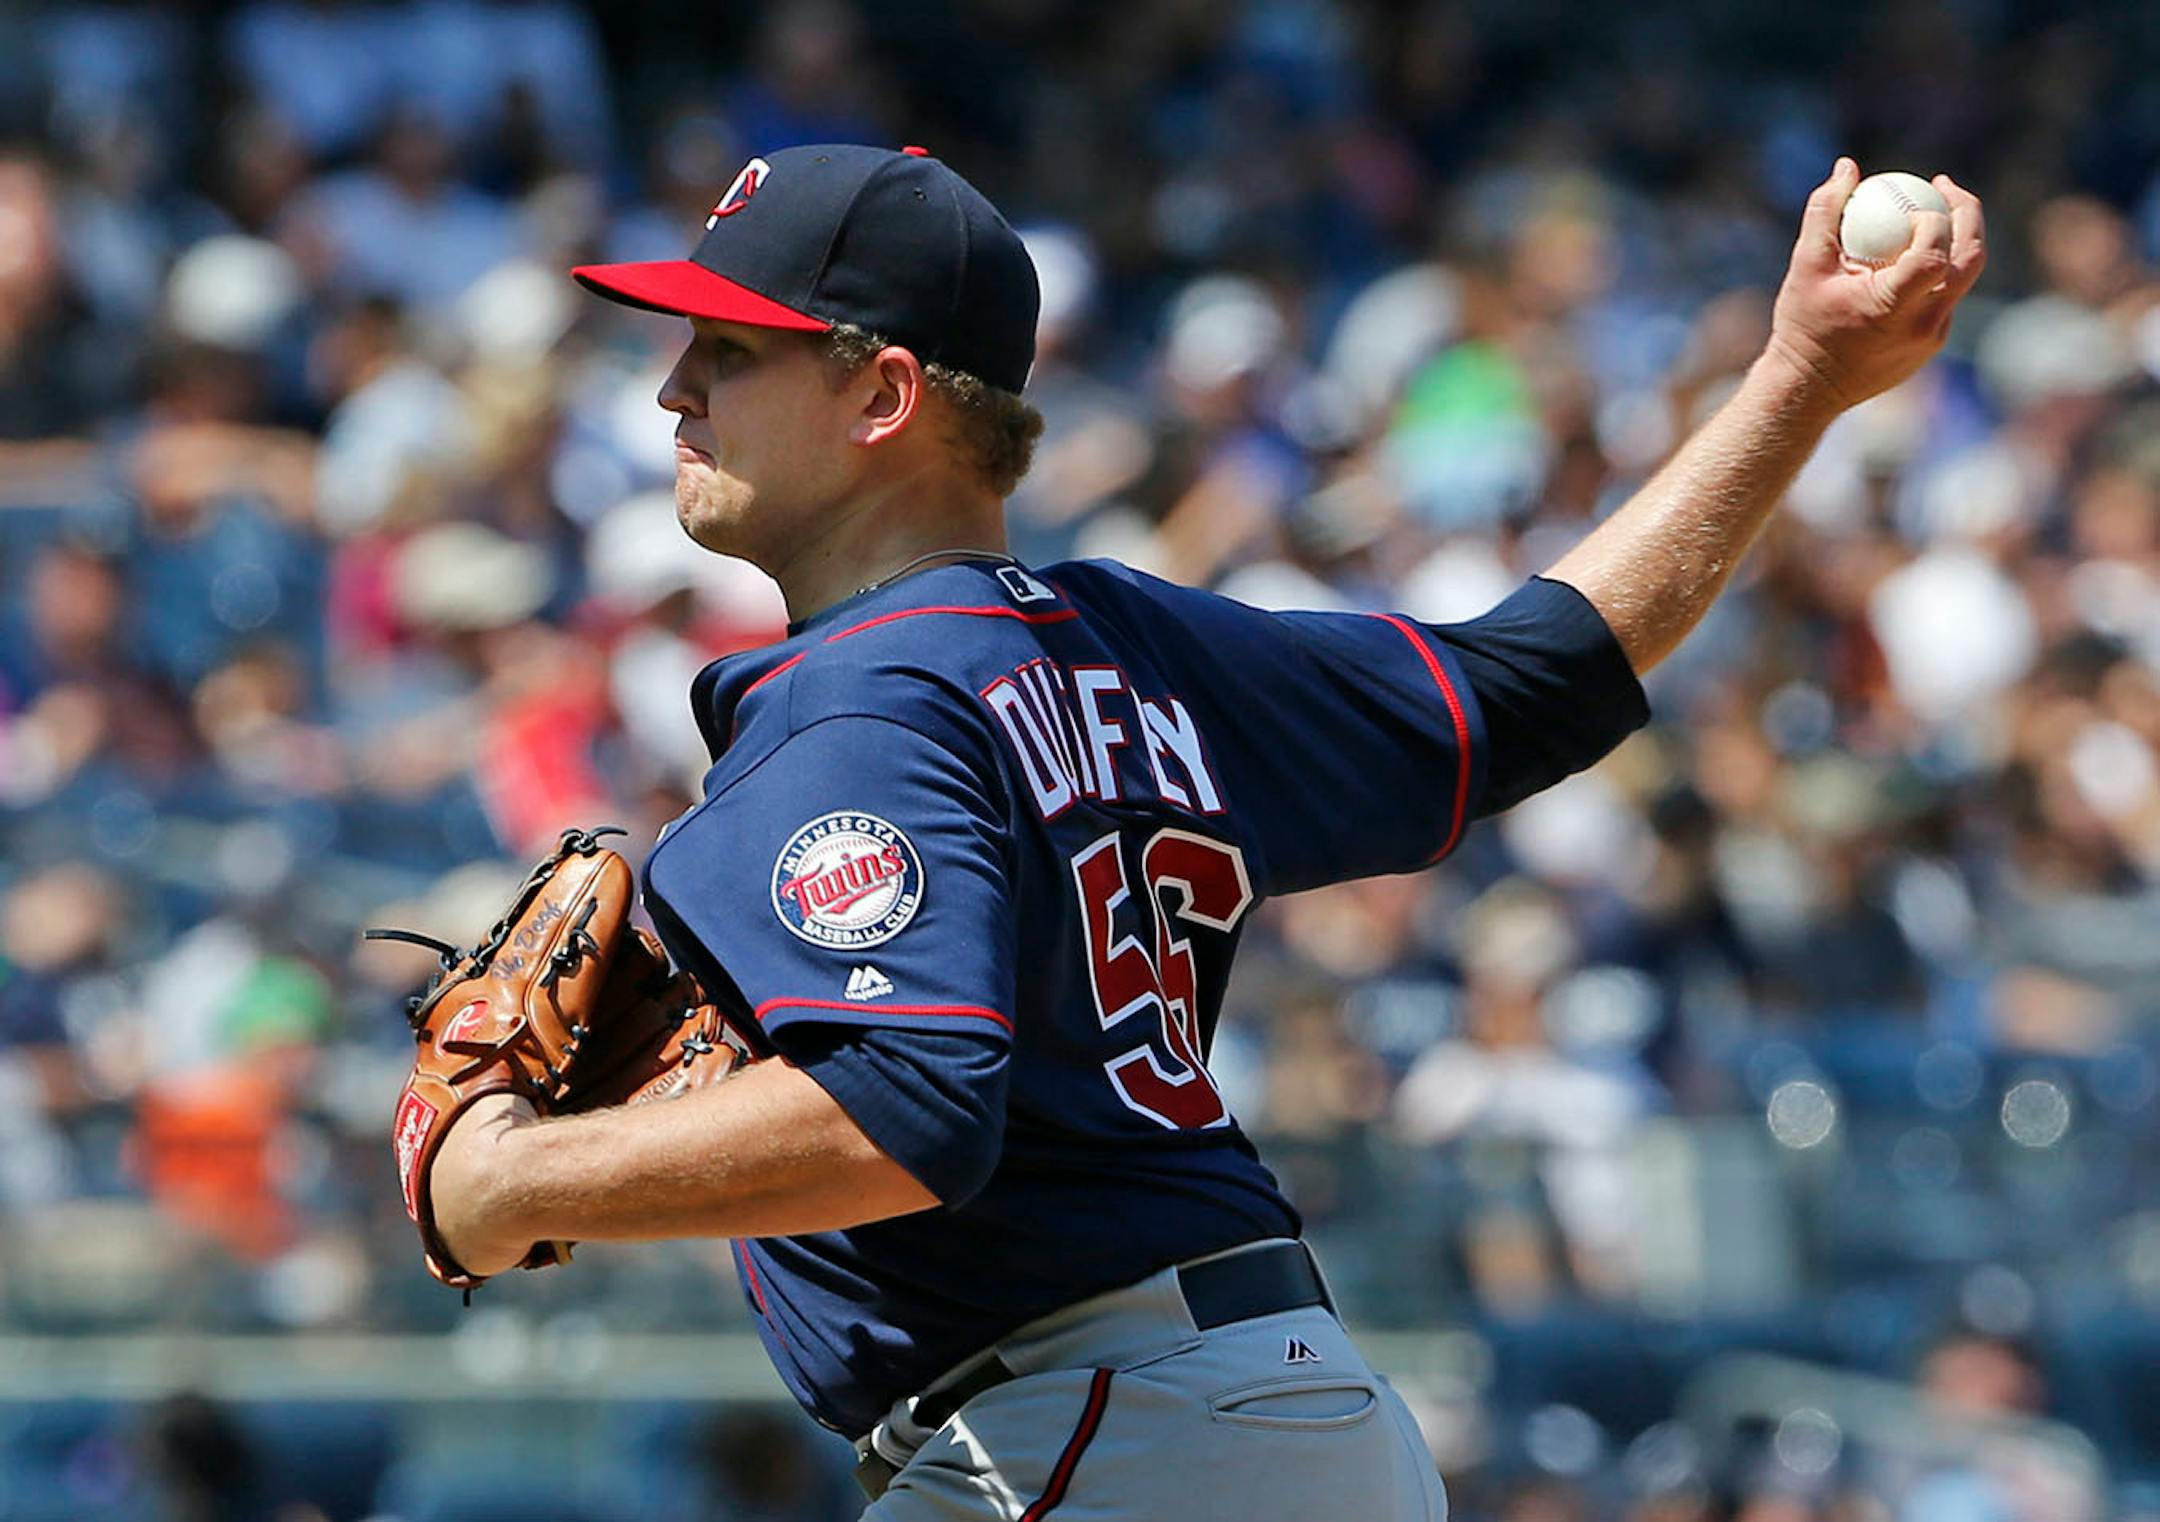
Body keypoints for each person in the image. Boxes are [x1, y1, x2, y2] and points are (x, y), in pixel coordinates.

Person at [420, 143, 1985, 1519]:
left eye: (734, 345)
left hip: (1094, 1433)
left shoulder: (862, 704)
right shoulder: (1123, 643)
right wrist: (1799, 382)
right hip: (1265, 1418)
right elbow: (1530, 684)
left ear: (884, 394)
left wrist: (522, 1179)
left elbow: (904, 1111)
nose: (673, 385)